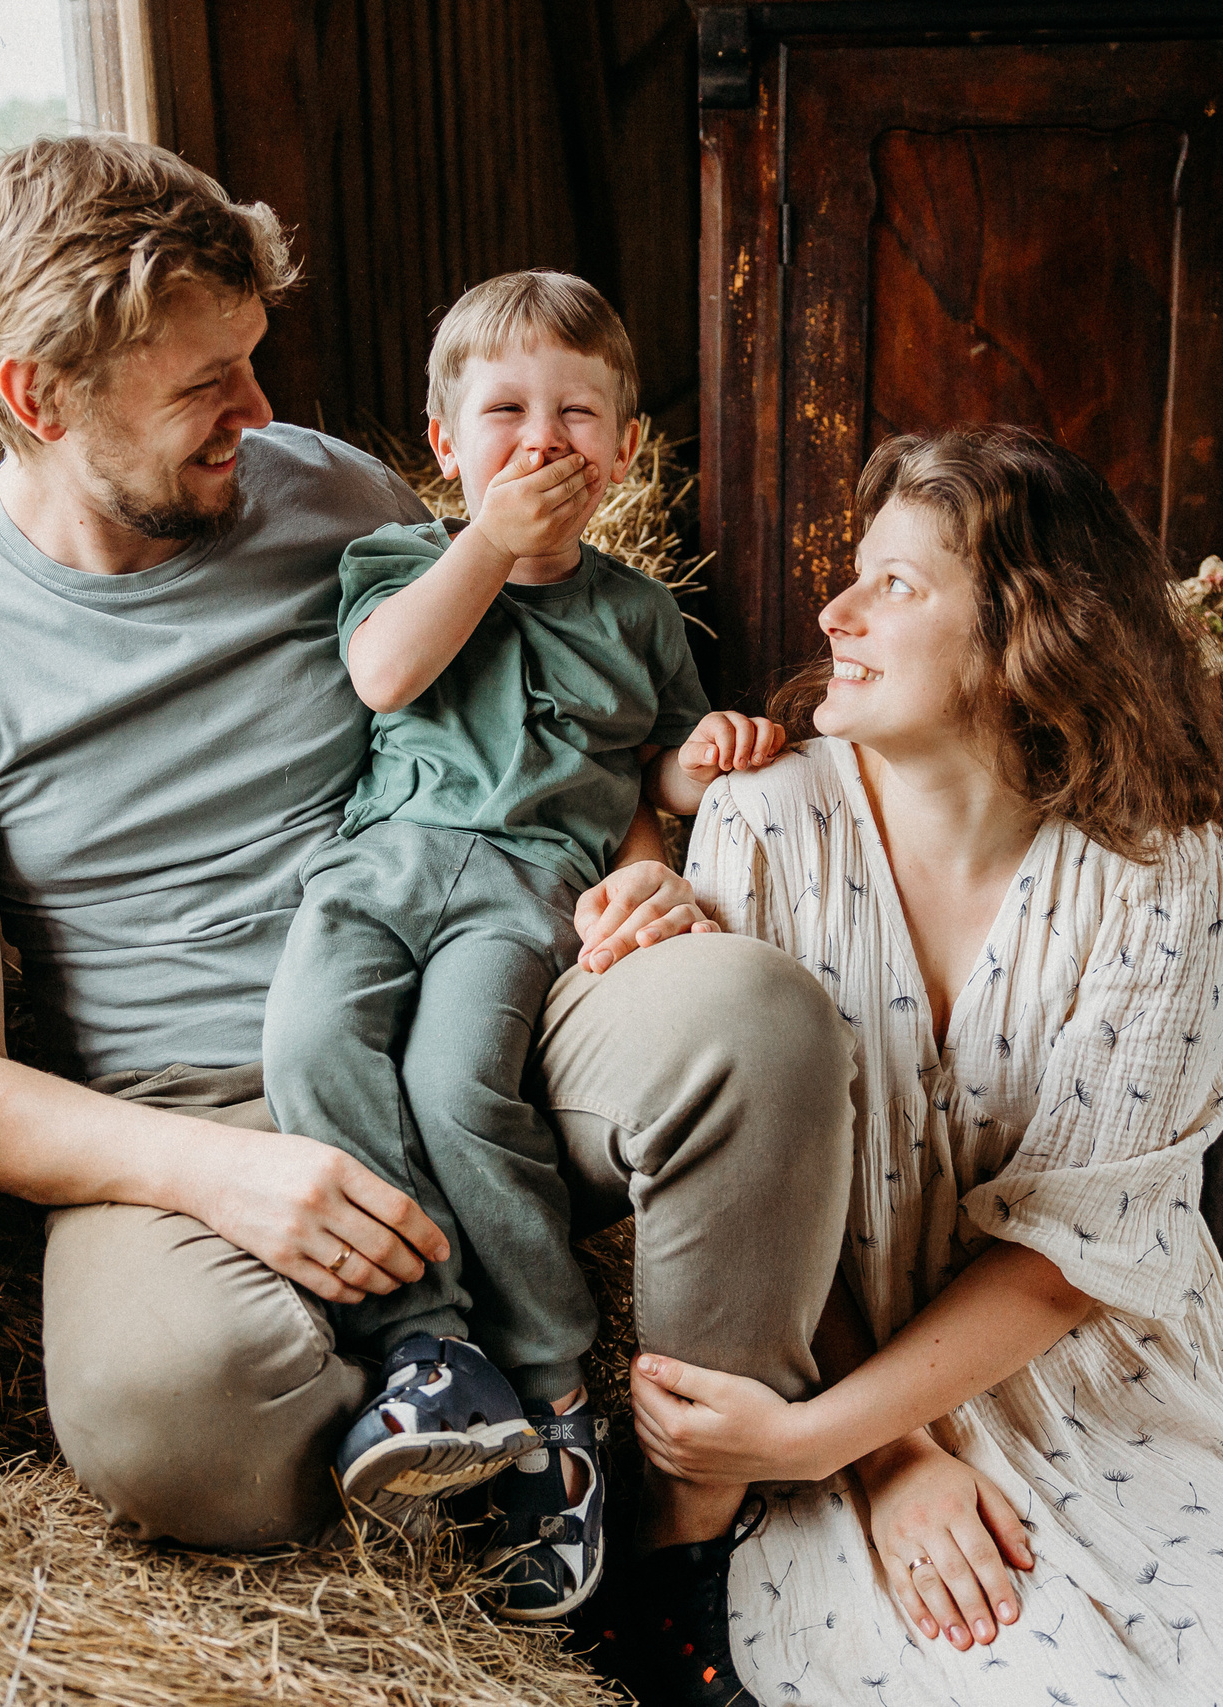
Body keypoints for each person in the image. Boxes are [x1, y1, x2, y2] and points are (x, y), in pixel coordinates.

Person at [0, 131, 854, 1658]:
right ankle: (467, 1459)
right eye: (203, 384)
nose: (259, 409)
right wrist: (226, 1180)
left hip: (496, 982)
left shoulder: (327, 494)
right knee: (170, 1409)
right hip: (198, 1100)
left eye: (253, 360)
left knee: (756, 1015)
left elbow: (550, 722)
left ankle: (686, 1531)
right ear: (39, 394)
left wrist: (647, 870)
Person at [623, 428, 1223, 1705]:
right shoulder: (764, 822)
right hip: (833, 1355)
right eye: (854, 576)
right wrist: (885, 1459)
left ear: (1033, 634)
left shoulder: (1158, 866)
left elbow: (1071, 1253)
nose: (834, 609)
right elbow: (758, 1196)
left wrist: (814, 1443)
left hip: (1097, 1376)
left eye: (896, 586)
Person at [262, 271, 788, 1620]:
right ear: (445, 444)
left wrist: (706, 757)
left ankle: (554, 1389)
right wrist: (485, 544)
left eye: (577, 413)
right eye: (504, 409)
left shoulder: (639, 612)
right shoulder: (400, 561)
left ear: (623, 452)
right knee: (311, 1044)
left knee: (458, 1085)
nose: (541, 437)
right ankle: (433, 1352)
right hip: (381, 859)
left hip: (520, 885)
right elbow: (387, 674)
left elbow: (652, 773)